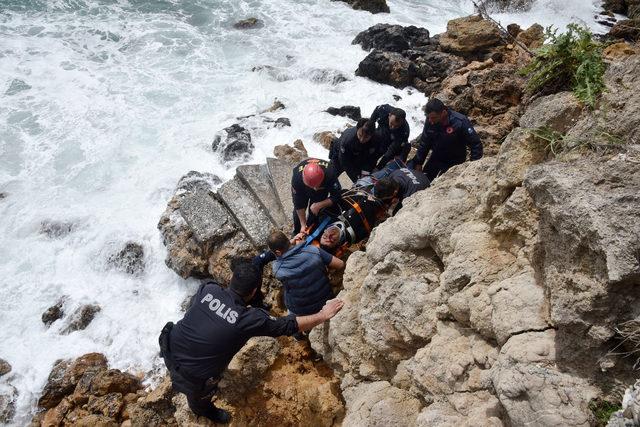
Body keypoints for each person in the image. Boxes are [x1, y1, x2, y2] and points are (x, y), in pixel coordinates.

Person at [159, 263, 344, 424]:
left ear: (232, 278)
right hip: (195, 377)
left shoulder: (208, 288)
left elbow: (196, 309)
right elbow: (288, 325)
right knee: (200, 398)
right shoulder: (249, 319)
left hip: (168, 346)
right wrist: (323, 315)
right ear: (254, 291)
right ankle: (204, 411)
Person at [269, 230, 344, 316]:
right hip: (326, 300)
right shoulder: (313, 250)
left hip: (301, 311)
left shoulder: (277, 268)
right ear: (288, 241)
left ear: (278, 252)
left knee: (289, 310)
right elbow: (340, 264)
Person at [407, 98, 483, 182]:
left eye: (433, 118)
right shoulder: (430, 120)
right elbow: (425, 142)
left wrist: (471, 168)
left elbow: (476, 145)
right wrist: (418, 162)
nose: (430, 121)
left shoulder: (460, 121)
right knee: (423, 181)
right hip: (436, 156)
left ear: (443, 112)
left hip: (455, 160)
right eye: (428, 117)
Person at [291, 158, 342, 234]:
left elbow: (337, 195)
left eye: (317, 186)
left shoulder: (330, 173)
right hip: (304, 188)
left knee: (315, 211)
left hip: (322, 188)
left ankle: (310, 229)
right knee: (297, 215)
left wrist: (320, 205)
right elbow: (298, 204)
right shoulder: (297, 179)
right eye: (313, 187)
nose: (315, 189)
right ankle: (297, 231)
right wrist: (303, 224)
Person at [370, 104, 411, 169]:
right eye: (391, 124)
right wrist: (370, 128)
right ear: (389, 115)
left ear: (402, 122)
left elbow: (391, 150)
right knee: (373, 155)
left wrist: (379, 167)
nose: (393, 127)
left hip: (394, 141)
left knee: (387, 156)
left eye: (396, 126)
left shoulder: (404, 131)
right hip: (382, 131)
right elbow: (372, 119)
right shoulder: (383, 110)